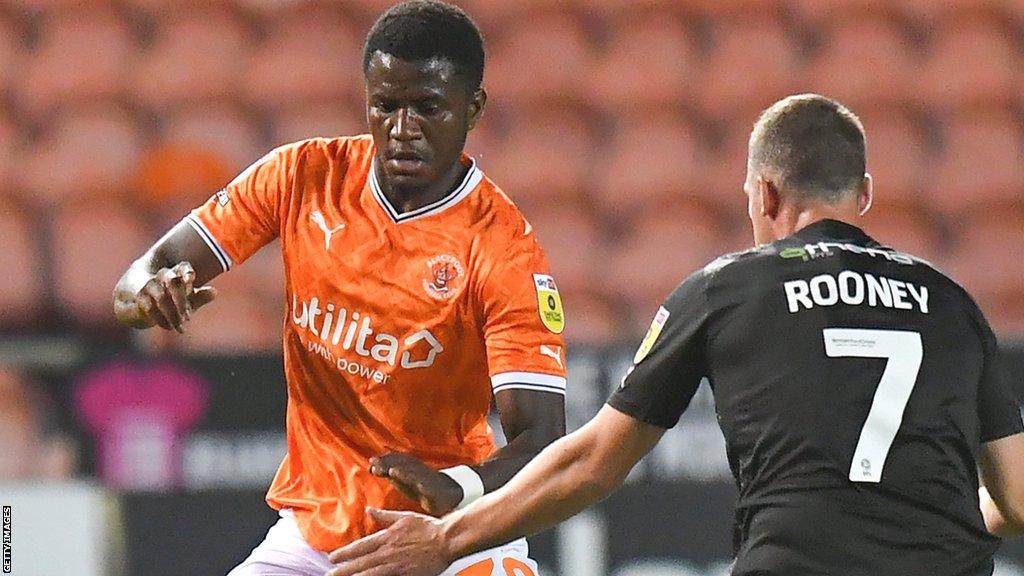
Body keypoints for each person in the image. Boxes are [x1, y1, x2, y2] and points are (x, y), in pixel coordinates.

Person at [328, 94, 1024, 576]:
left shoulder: (726, 288)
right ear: (863, 193)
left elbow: (594, 461)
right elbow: (1018, 501)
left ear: (766, 195)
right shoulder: (952, 302)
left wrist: (448, 540)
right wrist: (941, 523)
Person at [113, 2, 568, 574]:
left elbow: (546, 441)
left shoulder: (503, 249)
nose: (402, 130)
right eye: (385, 106)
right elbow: (139, 277)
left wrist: (457, 489)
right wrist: (149, 293)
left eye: (428, 108)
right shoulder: (303, 176)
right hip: (316, 535)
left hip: (450, 537)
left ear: (473, 108)